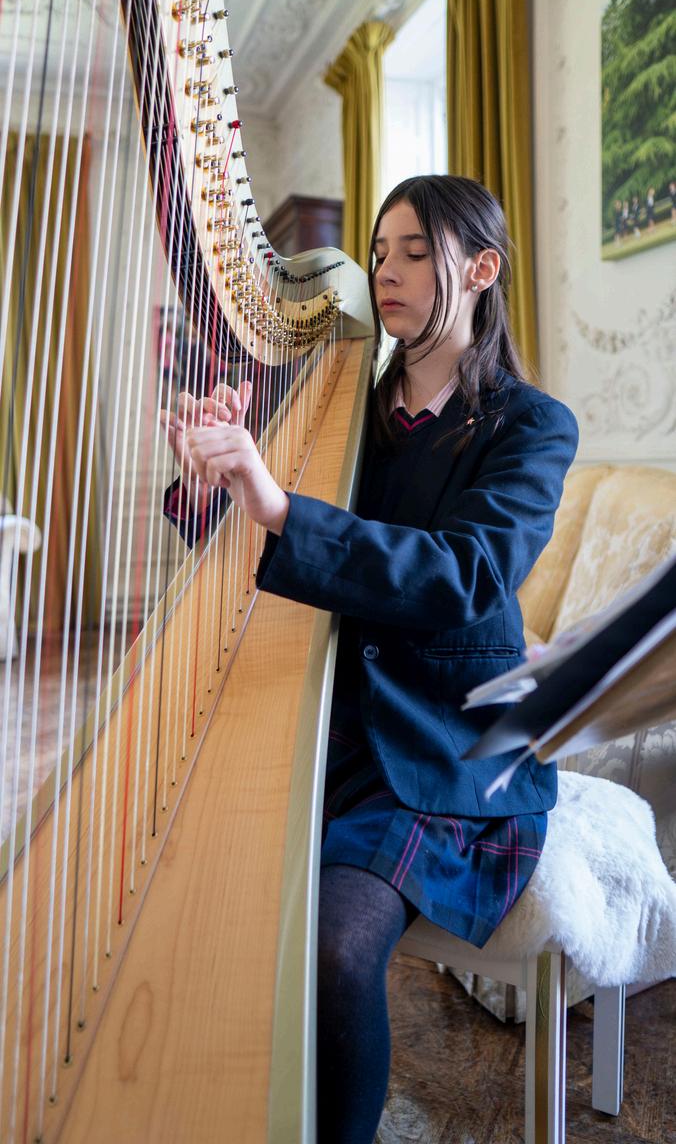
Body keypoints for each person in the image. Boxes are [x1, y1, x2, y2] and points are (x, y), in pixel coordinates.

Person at [162, 175, 579, 1144]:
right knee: (206, 904)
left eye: (415, 252)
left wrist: (277, 504)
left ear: (481, 269)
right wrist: (210, 478)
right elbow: (254, 553)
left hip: (444, 746)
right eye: (381, 252)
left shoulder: (529, 426)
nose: (385, 271)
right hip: (323, 723)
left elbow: (467, 574)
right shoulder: (341, 407)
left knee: (337, 949)